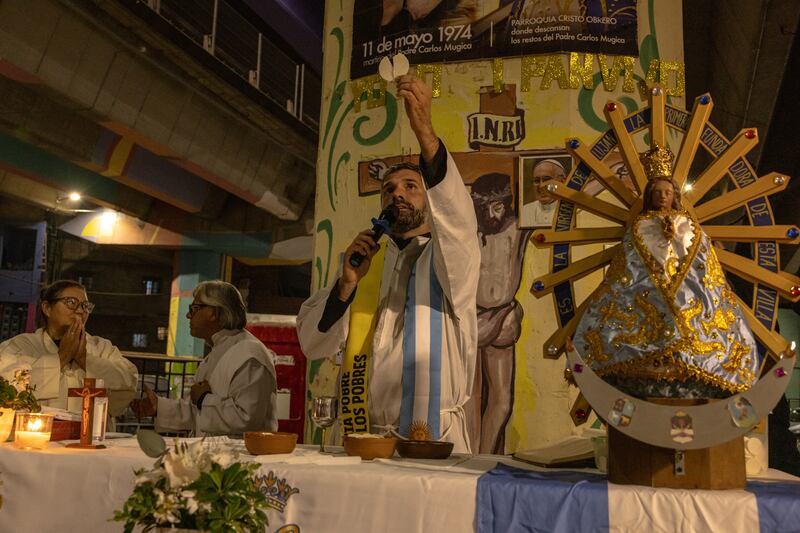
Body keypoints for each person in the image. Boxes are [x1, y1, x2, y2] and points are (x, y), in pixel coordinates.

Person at [297, 75, 480, 453]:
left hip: (430, 439)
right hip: (359, 434)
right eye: (389, 189)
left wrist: (424, 131)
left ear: (433, 202)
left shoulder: (451, 262)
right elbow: (312, 345)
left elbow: (459, 222)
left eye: (411, 186)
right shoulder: (365, 265)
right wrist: (347, 285)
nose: (397, 192)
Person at [572, 145, 759, 398]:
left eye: (667, 192)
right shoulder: (640, 225)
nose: (662, 196)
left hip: (686, 291)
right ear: (650, 196)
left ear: (674, 196)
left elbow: (701, 259)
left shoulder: (688, 225)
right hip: (645, 289)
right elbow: (629, 262)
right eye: (658, 192)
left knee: (697, 326)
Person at [133, 281, 277, 436]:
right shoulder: (217, 353)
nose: (188, 315)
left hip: (242, 457)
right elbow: (201, 414)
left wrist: (204, 399)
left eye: (195, 309)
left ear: (214, 312)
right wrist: (159, 407)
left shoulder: (249, 354)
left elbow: (247, 419)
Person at [0, 280, 137, 416]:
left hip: (90, 435)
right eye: (71, 302)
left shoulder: (102, 347)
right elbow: (7, 388)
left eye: (85, 305)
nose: (80, 311)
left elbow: (128, 384)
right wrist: (62, 357)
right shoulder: (21, 345)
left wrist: (84, 359)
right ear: (47, 308)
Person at [468, 172, 529, 454]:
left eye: (497, 207)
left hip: (503, 315)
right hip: (469, 318)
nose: (491, 215)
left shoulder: (517, 227)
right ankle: (469, 456)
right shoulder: (467, 230)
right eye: (485, 208)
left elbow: (557, 199)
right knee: (468, 399)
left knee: (502, 400)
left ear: (507, 204)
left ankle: (486, 454)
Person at [521, 159, 567, 227]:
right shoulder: (524, 211)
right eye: (536, 181)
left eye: (546, 179)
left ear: (562, 181)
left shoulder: (572, 210)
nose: (541, 186)